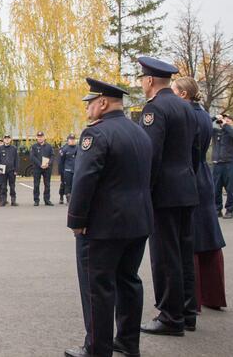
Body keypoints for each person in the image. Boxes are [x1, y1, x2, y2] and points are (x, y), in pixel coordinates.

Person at [65, 78, 153, 357]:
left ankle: (96, 349)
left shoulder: (96, 134)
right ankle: (128, 342)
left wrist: (76, 220)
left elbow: (85, 180)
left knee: (97, 287)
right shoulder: (139, 132)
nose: (88, 109)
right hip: (138, 220)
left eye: (90, 103)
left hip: (103, 226)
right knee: (129, 281)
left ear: (103, 103)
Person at [136, 57, 201, 337]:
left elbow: (150, 155)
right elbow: (196, 150)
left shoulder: (155, 109)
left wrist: (143, 191)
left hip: (164, 191)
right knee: (184, 253)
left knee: (165, 255)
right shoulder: (186, 107)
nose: (141, 83)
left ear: (150, 81)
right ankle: (187, 312)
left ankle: (170, 316)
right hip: (186, 187)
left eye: (142, 79)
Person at [172, 77, 227, 314]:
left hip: (190, 176)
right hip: (203, 176)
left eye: (173, 91)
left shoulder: (187, 116)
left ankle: (190, 300)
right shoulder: (203, 113)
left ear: (183, 94)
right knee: (208, 237)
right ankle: (212, 295)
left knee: (189, 240)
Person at [211, 113, 233, 218]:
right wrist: (215, 118)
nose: (225, 121)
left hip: (229, 164)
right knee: (216, 189)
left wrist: (225, 125)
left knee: (230, 189)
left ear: (231, 122)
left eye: (228, 120)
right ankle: (217, 209)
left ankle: (229, 210)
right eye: (224, 120)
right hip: (217, 164)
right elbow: (203, 125)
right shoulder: (215, 132)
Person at [0, 135, 18, 206]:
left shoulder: (14, 148)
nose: (7, 140)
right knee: (3, 187)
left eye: (8, 138)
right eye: (5, 138)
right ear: (4, 140)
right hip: (2, 171)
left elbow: (17, 160)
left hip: (11, 170)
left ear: (10, 140)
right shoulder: (0, 149)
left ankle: (13, 201)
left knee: (12, 186)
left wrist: (16, 170)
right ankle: (3, 201)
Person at [30, 131, 54, 206]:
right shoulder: (34, 147)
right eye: (38, 137)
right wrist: (40, 164)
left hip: (47, 168)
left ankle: (47, 200)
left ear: (44, 137)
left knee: (47, 184)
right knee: (36, 184)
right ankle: (36, 200)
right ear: (37, 138)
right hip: (37, 168)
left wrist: (48, 164)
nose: (40, 138)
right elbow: (32, 157)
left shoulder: (49, 146)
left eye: (41, 137)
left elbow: (52, 156)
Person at [59, 134, 78, 205]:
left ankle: (73, 199)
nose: (72, 141)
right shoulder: (64, 149)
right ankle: (67, 199)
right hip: (67, 170)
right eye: (71, 139)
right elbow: (61, 162)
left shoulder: (78, 148)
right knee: (66, 185)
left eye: (73, 139)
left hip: (75, 170)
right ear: (68, 140)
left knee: (75, 185)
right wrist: (61, 172)